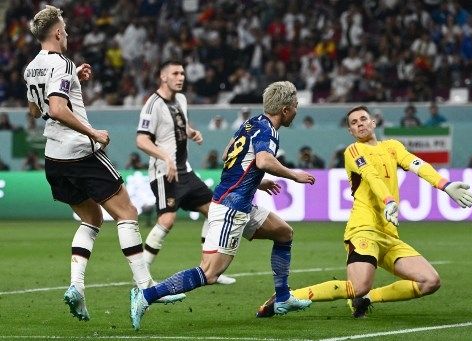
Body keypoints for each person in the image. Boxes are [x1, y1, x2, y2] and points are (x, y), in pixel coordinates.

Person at [24, 5, 182, 322]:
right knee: (127, 213)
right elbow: (56, 109)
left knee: (92, 218)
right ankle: (145, 286)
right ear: (57, 32)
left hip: (53, 157)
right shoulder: (61, 63)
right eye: (65, 30)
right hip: (80, 152)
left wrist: (74, 80)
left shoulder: (31, 68)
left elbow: (35, 111)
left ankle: (77, 288)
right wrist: (93, 131)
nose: (66, 34)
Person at [256, 105, 472, 318]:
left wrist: (445, 185)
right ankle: (287, 296)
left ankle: (368, 299)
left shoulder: (393, 146)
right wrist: (388, 200)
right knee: (358, 286)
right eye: (354, 123)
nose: (359, 124)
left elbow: (417, 164)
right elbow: (371, 176)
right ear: (350, 131)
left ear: (373, 122)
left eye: (363, 119)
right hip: (364, 229)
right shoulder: (354, 151)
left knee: (430, 281)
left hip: (389, 235)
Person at [130, 81, 316, 330]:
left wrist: (255, 181)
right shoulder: (268, 131)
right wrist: (294, 175)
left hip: (240, 202)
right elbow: (262, 159)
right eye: (294, 106)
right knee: (209, 273)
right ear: (284, 109)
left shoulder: (251, 123)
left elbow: (230, 152)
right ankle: (146, 295)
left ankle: (282, 298)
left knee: (284, 233)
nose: (296, 110)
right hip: (231, 208)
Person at [136, 60, 235, 285]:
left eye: (182, 73)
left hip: (185, 171)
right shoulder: (152, 104)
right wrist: (165, 157)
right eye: (175, 73)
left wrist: (191, 133)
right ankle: (141, 275)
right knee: (168, 219)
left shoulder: (180, 99)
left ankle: (208, 270)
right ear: (163, 77)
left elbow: (178, 125)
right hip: (164, 172)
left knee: (215, 211)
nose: (181, 77)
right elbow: (141, 140)